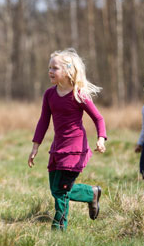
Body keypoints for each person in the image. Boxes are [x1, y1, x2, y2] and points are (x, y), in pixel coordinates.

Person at [28, 48, 107, 231]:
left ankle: (58, 229)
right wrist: (35, 147)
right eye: (49, 68)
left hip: (75, 148)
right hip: (58, 147)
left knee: (61, 191)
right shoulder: (49, 94)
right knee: (56, 189)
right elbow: (43, 121)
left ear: (67, 71)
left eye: (54, 68)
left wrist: (101, 139)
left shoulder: (79, 94)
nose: (50, 71)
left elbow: (98, 118)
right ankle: (92, 193)